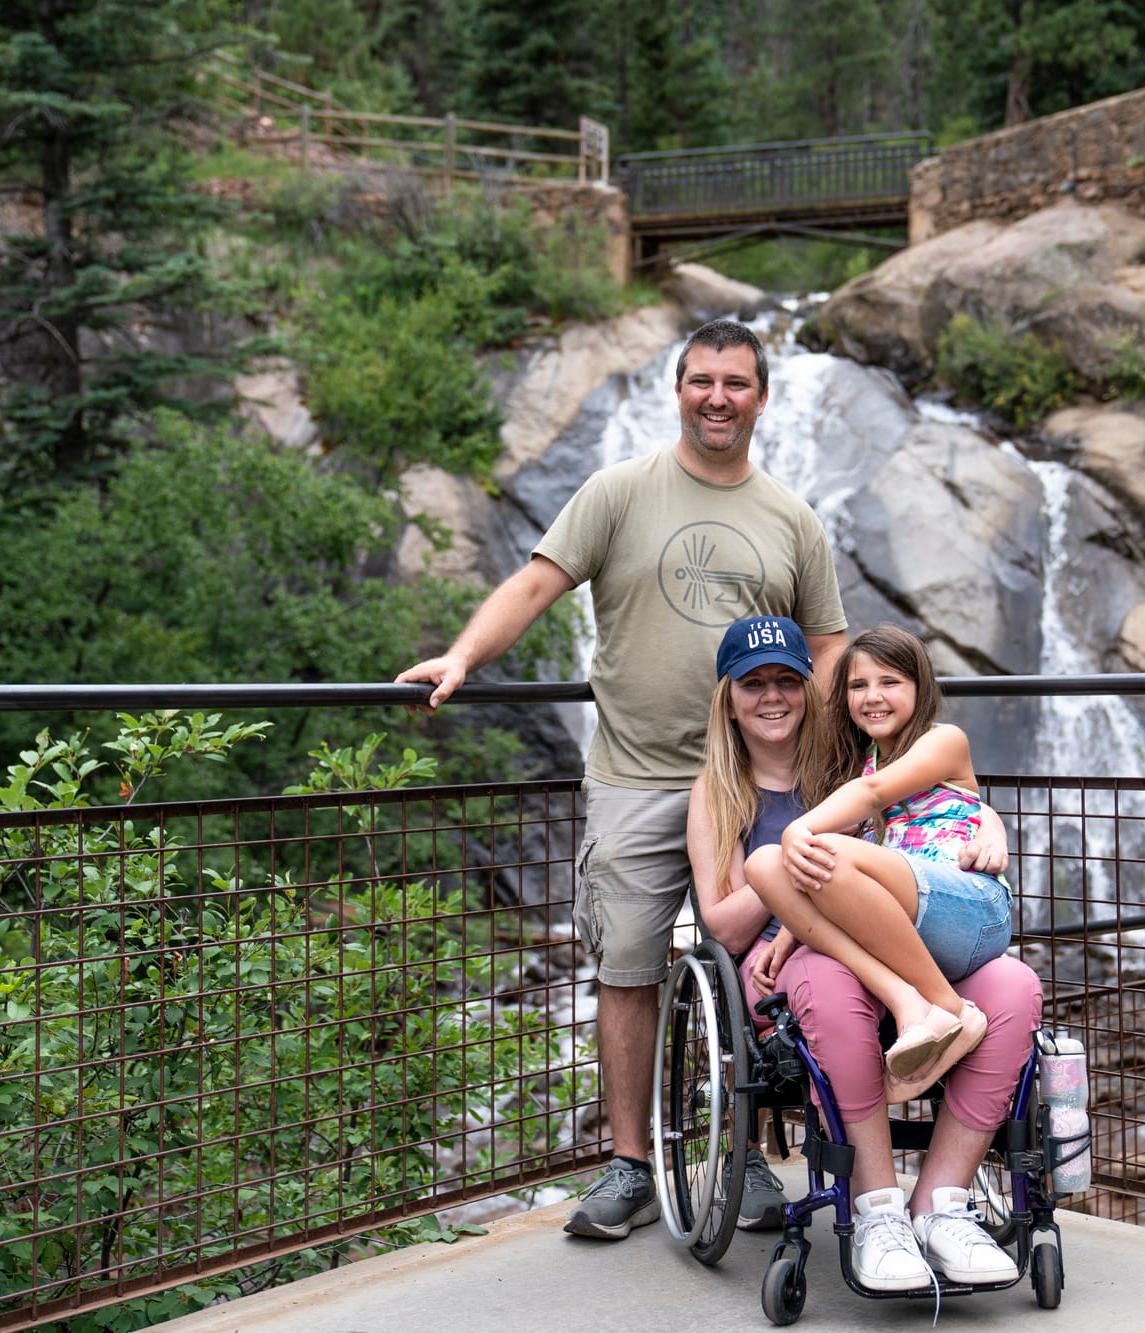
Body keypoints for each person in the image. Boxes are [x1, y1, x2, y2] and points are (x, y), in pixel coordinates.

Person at [395, 319, 848, 1241]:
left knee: (753, 970)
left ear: (763, 398)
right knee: (629, 967)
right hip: (638, 774)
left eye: (736, 383)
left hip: (755, 783)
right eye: (701, 381)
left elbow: (829, 644)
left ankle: (746, 1158)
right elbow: (536, 582)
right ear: (676, 390)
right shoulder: (618, 490)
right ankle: (631, 1163)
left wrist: (845, 755)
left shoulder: (793, 517)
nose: (718, 397)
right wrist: (462, 654)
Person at [689, 616, 1040, 1290]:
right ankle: (878, 1209)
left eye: (787, 681)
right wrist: (792, 878)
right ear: (727, 697)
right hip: (792, 959)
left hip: (886, 932)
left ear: (812, 690)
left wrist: (987, 820)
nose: (772, 697)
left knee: (1015, 985)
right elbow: (728, 928)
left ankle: (941, 1204)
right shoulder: (717, 790)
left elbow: (916, 819)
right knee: (825, 976)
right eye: (754, 684)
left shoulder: (852, 763)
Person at [745, 625, 1016, 1097]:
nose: (873, 696)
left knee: (819, 846)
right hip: (907, 923)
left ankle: (947, 1008)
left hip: (971, 910)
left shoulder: (942, 740)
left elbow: (872, 795)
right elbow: (836, 872)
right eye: (858, 685)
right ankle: (905, 999)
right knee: (765, 864)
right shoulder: (863, 764)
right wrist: (791, 930)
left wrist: (799, 829)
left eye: (890, 682)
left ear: (920, 687)